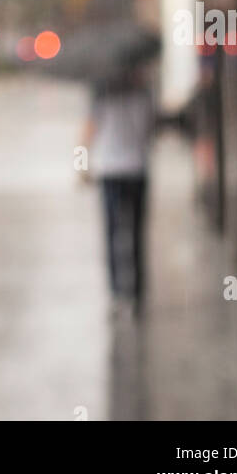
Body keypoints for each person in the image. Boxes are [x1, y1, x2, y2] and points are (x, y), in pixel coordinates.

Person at [81, 63, 154, 316]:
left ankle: (116, 292)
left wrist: (82, 166)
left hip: (111, 170)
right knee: (136, 233)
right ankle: (136, 292)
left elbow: (87, 132)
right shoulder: (143, 94)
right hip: (135, 169)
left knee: (113, 233)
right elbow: (149, 132)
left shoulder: (101, 94)